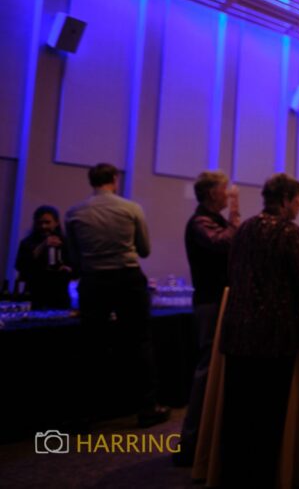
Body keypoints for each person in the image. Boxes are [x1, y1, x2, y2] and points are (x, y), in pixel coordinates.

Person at [219, 173, 299, 488]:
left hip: (237, 332)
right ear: (284, 199)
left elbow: (231, 270)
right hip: (273, 335)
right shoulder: (288, 231)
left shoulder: (244, 227)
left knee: (237, 412)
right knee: (267, 415)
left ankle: (232, 476)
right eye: (297, 199)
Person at [65, 163, 168, 427]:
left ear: (91, 181)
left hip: (93, 281)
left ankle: (84, 414)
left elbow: (74, 258)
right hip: (127, 278)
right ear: (114, 179)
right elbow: (144, 250)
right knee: (139, 341)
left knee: (91, 345)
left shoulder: (74, 213)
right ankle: (147, 408)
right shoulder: (131, 209)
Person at [175, 170, 240, 467]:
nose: (229, 193)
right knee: (206, 370)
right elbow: (223, 244)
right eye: (225, 189)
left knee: (215, 371)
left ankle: (208, 442)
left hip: (219, 302)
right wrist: (236, 214)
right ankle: (190, 444)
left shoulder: (214, 220)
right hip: (210, 304)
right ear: (213, 193)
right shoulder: (200, 222)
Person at [15, 205, 73, 309]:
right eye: (39, 223)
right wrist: (43, 245)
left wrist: (68, 269)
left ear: (56, 223)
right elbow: (21, 266)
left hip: (59, 296)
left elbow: (77, 267)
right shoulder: (27, 243)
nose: (43, 226)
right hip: (34, 296)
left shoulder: (66, 242)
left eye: (47, 222)